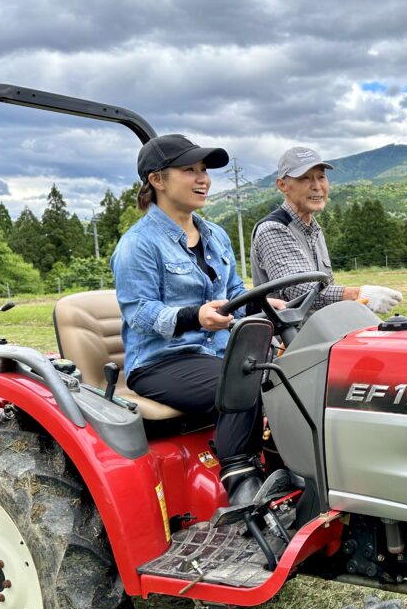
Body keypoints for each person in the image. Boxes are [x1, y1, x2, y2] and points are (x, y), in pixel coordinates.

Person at [112, 134, 281, 504]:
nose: (203, 178)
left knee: (295, 373)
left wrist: (264, 304)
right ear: (157, 180)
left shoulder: (216, 235)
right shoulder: (138, 244)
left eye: (204, 170)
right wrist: (195, 317)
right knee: (244, 382)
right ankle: (242, 484)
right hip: (160, 362)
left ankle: (288, 468)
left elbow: (235, 291)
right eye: (189, 170)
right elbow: (139, 312)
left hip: (216, 353)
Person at [250, 146, 402, 315]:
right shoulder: (274, 229)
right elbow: (298, 291)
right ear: (282, 185)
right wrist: (357, 294)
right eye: (305, 179)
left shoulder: (314, 229)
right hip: (289, 337)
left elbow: (324, 289)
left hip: (321, 330)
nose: (316, 186)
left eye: (321, 177)